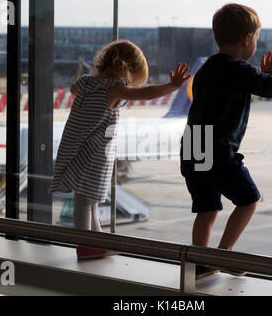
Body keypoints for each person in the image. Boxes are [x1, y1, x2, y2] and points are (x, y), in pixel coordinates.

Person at [50, 39, 191, 259]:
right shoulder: (114, 89)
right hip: (95, 154)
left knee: (89, 200)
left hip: (75, 149)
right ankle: (84, 245)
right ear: (126, 68)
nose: (132, 83)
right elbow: (145, 93)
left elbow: (73, 88)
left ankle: (95, 241)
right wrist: (172, 86)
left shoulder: (86, 82)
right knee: (86, 201)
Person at [179, 3, 272, 279]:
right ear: (246, 39)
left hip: (192, 144)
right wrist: (270, 74)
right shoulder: (239, 70)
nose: (257, 45)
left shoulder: (206, 69)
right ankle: (224, 254)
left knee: (207, 207)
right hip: (215, 146)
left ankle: (200, 262)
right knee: (249, 199)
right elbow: (271, 89)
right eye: (257, 39)